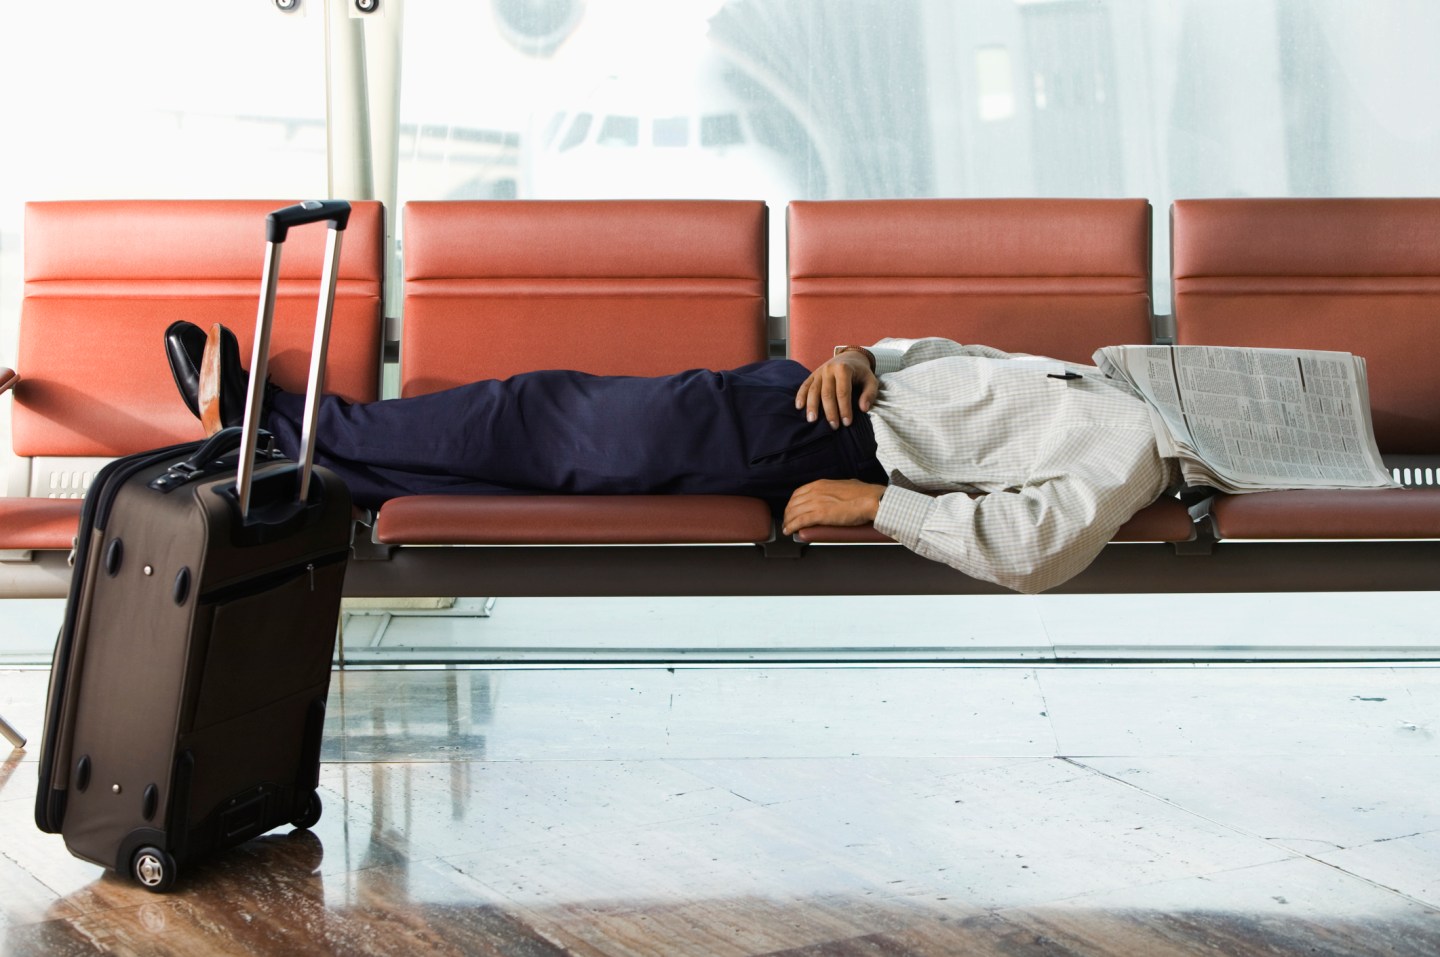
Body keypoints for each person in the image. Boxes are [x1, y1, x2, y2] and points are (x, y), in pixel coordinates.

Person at [165, 322, 1177, 594]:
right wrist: (862, 353)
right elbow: (946, 359)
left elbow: (1035, 550)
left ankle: (278, 423)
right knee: (540, 443)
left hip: (809, 442)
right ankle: (290, 454)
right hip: (802, 397)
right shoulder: (1099, 381)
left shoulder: (1137, 442)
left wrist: (874, 506)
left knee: (538, 422)